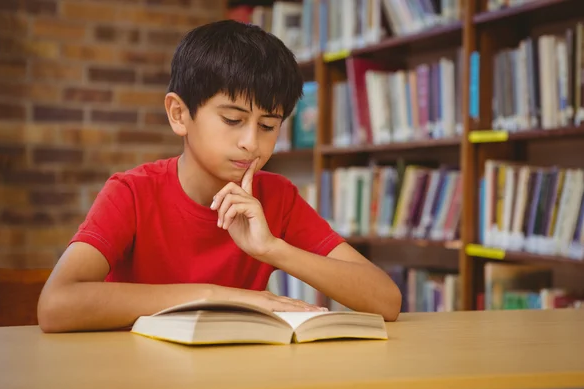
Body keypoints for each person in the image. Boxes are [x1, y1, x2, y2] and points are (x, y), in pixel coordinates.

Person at [37, 20, 402, 333]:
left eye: (268, 125)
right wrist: (213, 295)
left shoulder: (276, 196)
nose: (251, 143)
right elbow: (56, 304)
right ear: (179, 114)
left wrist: (272, 248)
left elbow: (386, 300)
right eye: (232, 120)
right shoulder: (132, 192)